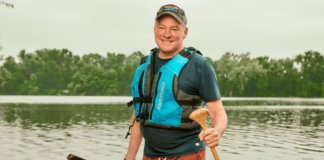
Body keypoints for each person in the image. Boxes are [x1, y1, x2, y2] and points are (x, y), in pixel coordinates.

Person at [124, 4, 227, 160]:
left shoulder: (200, 65)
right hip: (150, 154)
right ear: (154, 29)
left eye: (174, 29)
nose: (167, 34)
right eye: (162, 27)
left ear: (185, 32)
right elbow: (139, 116)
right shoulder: (145, 66)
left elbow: (218, 112)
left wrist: (217, 131)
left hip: (187, 153)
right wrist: (129, 158)